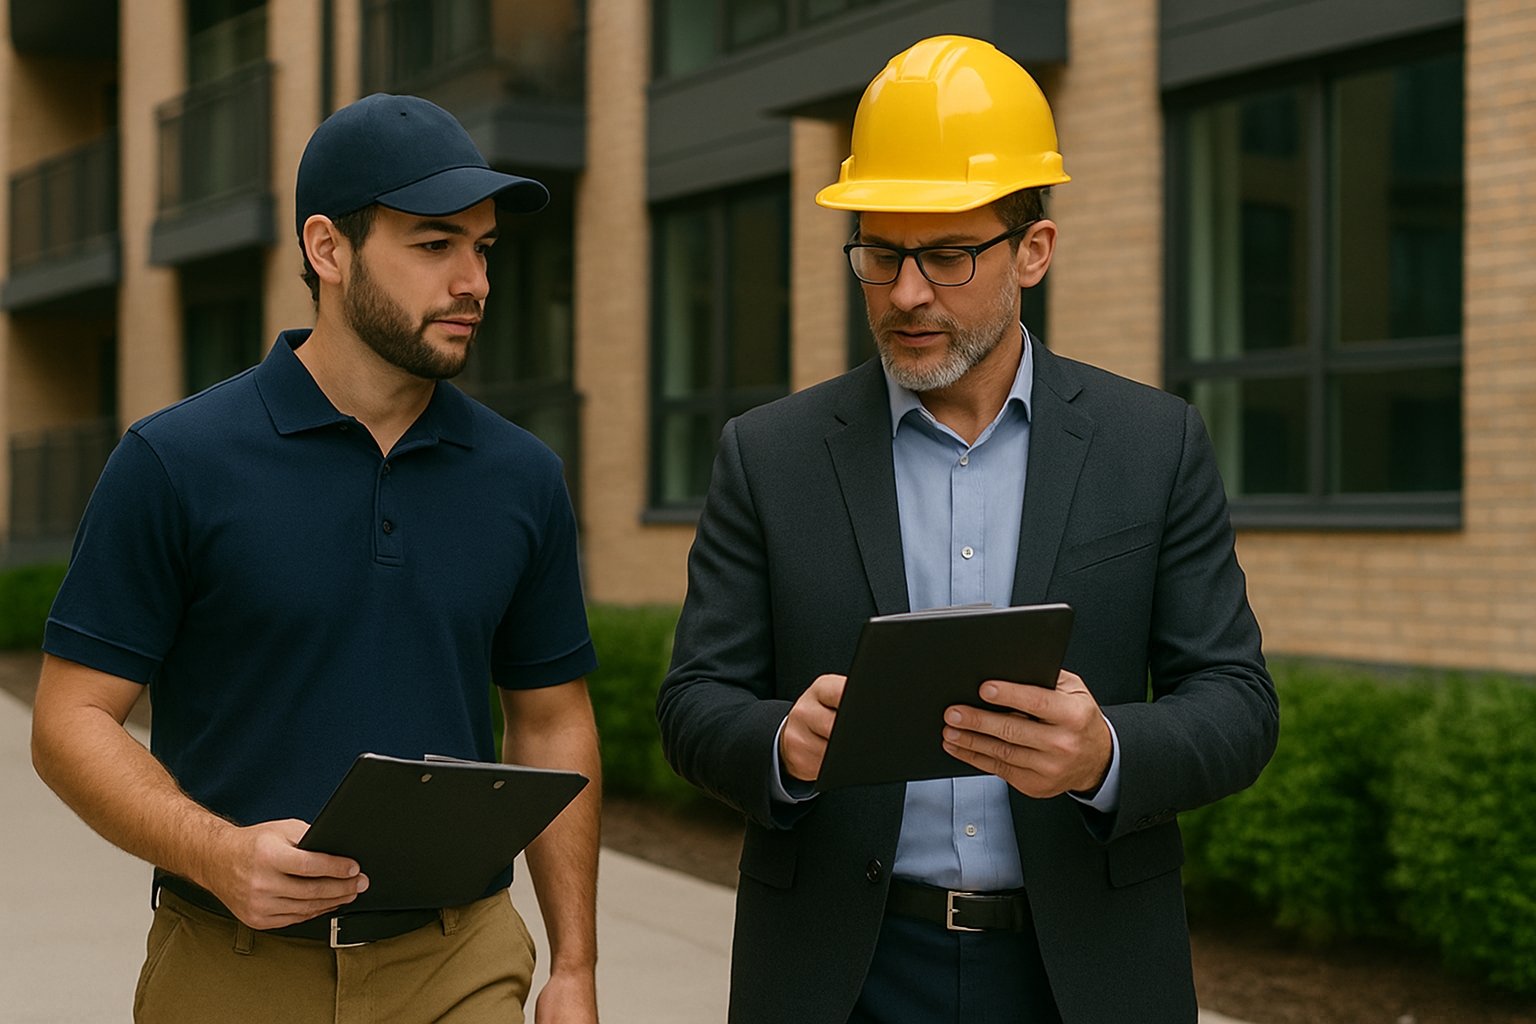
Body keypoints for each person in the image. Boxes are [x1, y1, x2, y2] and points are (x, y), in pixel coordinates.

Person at [656, 35, 1278, 1024]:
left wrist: (1105, 752)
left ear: (1034, 249)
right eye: (880, 252)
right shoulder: (766, 456)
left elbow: (1240, 706)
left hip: (1081, 975)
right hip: (841, 976)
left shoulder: (1154, 444)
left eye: (947, 255)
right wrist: (783, 740)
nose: (907, 292)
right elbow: (691, 705)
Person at [31, 93, 601, 1024]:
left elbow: (549, 722)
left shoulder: (522, 476)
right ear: (328, 249)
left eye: (483, 248)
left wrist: (573, 964)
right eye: (434, 245)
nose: (474, 282)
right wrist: (216, 852)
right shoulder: (175, 461)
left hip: (461, 963)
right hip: (229, 966)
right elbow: (70, 720)